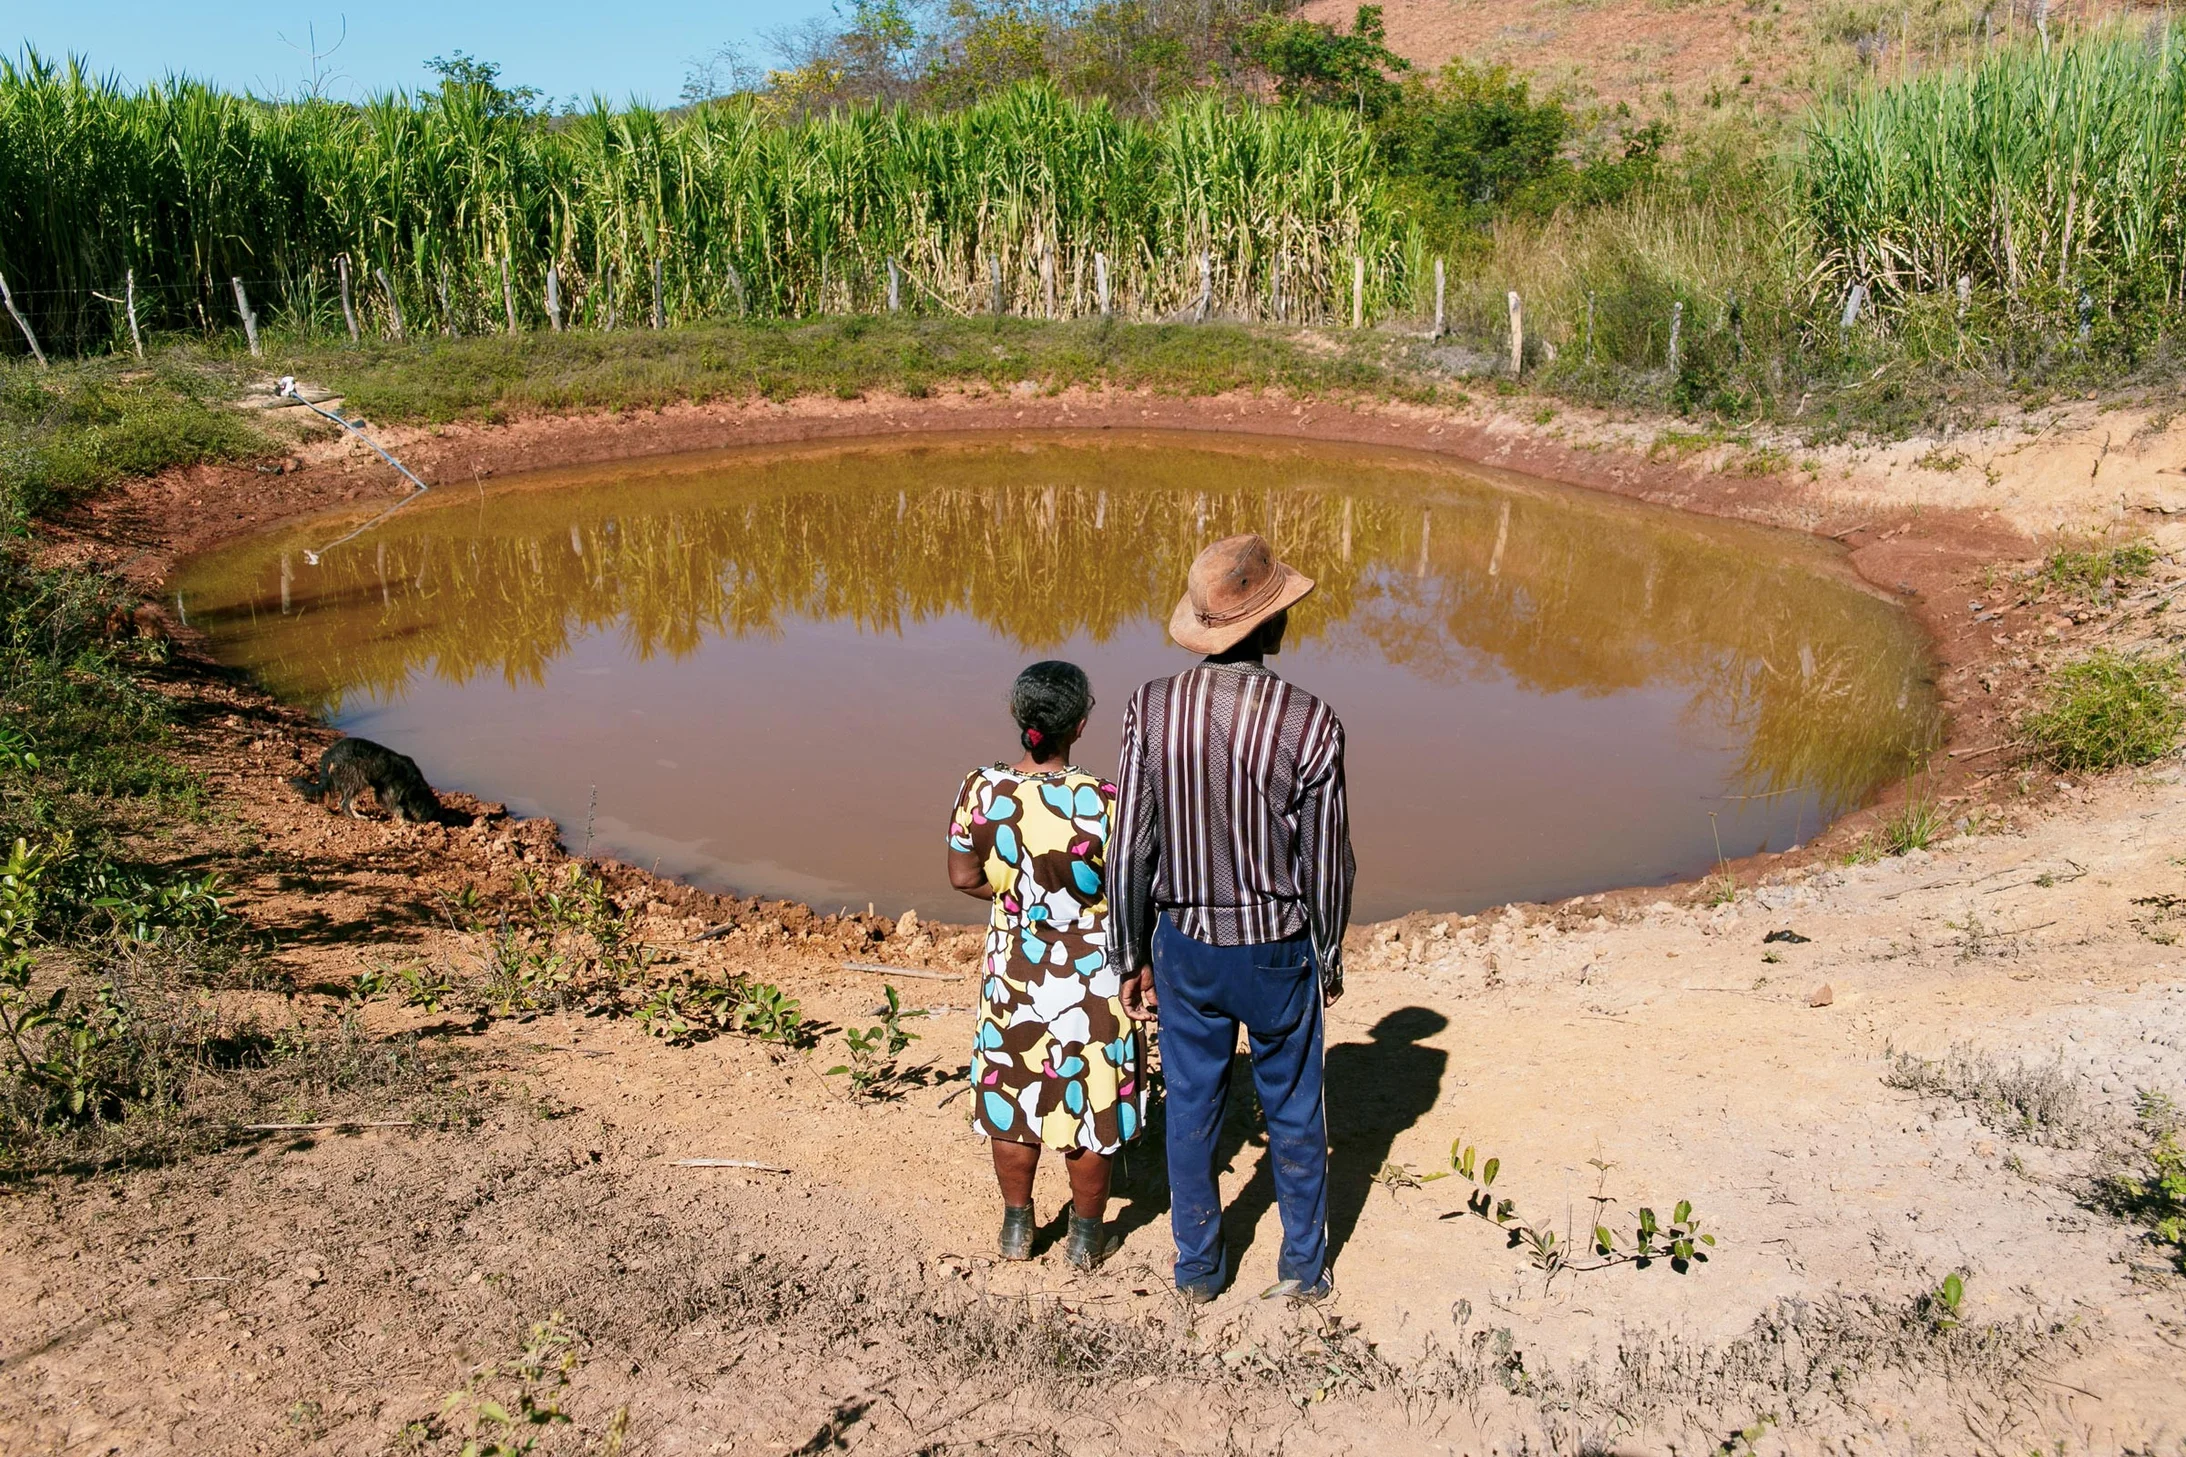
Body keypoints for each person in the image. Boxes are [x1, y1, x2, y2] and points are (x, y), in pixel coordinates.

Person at [1109, 533, 1355, 1303]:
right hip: (1279, 948)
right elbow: (1328, 863)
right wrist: (1330, 955)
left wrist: (1128, 954)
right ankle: (1303, 1267)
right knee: (1293, 1106)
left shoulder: (1149, 709)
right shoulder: (1311, 722)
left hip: (1184, 945)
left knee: (1191, 1107)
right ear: (1275, 626)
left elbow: (1129, 850)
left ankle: (1198, 1268)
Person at [947, 660, 1145, 1269]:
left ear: (1018, 716)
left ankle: (1016, 1228)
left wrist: (1017, 899)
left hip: (1015, 964)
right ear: (1081, 724)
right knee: (1091, 1099)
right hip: (1093, 966)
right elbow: (1137, 891)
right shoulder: (1107, 801)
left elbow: (962, 878)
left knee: (1011, 1090)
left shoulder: (980, 790)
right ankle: (1086, 1238)